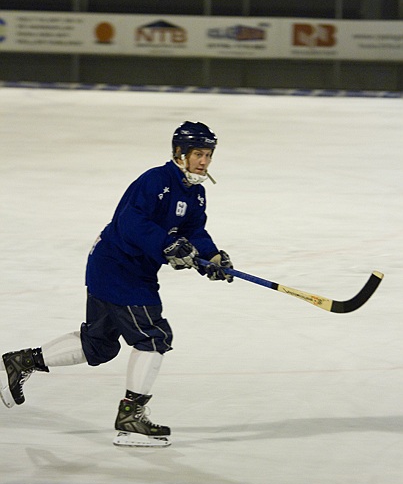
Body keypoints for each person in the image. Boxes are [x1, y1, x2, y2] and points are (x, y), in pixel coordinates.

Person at [0, 121, 233, 447]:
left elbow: (193, 231)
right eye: (198, 154)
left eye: (208, 155)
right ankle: (130, 419)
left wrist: (212, 258)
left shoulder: (196, 193)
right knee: (154, 337)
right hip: (120, 267)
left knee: (99, 345)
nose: (204, 162)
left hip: (118, 268)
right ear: (180, 153)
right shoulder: (156, 180)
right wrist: (167, 245)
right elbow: (131, 221)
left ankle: (20, 362)